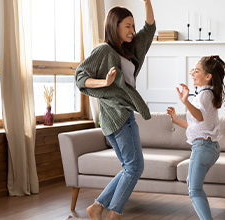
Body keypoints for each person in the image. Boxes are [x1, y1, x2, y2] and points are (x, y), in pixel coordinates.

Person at [74, 1, 155, 219]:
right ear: (114, 26)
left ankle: (98, 207)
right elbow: (80, 78)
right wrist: (105, 83)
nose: (132, 30)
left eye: (132, 25)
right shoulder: (103, 50)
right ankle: (114, 213)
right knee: (135, 167)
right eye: (127, 26)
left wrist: (147, 2)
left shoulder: (129, 50)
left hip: (118, 116)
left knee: (130, 167)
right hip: (118, 115)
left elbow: (149, 28)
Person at [166, 55, 225, 220]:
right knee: (192, 184)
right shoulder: (208, 94)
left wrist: (185, 102)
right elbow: (199, 125)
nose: (192, 73)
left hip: (202, 148)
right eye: (192, 70)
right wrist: (176, 120)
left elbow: (199, 117)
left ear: (208, 77)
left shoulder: (204, 95)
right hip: (211, 148)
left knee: (194, 190)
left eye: (197, 71)